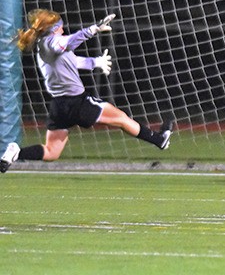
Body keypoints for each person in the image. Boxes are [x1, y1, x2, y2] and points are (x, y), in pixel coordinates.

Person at [0, 9, 173, 173]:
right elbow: (71, 41)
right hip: (77, 102)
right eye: (60, 24)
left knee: (52, 152)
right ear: (54, 28)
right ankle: (159, 140)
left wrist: (95, 62)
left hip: (59, 106)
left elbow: (73, 61)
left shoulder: (43, 47)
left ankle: (16, 153)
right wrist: (93, 29)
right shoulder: (52, 42)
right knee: (121, 118)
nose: (62, 27)